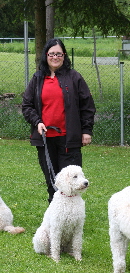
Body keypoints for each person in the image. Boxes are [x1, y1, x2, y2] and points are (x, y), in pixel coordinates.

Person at [22, 38, 96, 203]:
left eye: (59, 54)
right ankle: (54, 218)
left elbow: (87, 106)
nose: (55, 57)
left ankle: (73, 219)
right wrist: (37, 122)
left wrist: (86, 130)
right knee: (52, 181)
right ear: (46, 56)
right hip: (45, 139)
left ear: (64, 56)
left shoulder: (74, 77)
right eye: (51, 54)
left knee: (72, 183)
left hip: (69, 139)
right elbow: (27, 105)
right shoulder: (38, 78)